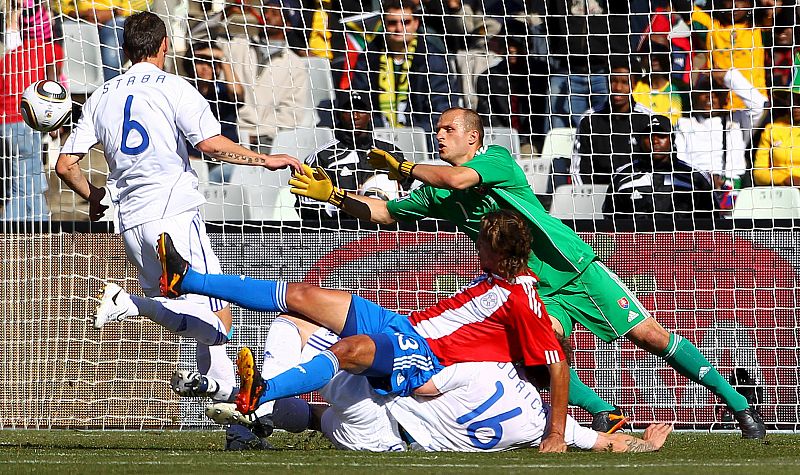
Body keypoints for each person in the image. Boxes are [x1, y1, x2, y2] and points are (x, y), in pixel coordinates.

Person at [289, 106, 767, 439]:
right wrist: (334, 196)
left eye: (448, 130)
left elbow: (455, 178)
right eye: (437, 130)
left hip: (571, 266)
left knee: (652, 337)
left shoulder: (492, 160)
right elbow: (386, 214)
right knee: (532, 353)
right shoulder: (437, 194)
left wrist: (410, 165)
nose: (439, 136)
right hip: (525, 282)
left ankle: (739, 405)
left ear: (472, 137)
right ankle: (606, 414)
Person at [129, 209, 571, 452]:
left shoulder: (522, 298)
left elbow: (556, 367)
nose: (476, 251)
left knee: (348, 350)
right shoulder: (501, 279)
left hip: (424, 356)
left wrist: (554, 433)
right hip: (404, 326)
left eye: (482, 247)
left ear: (500, 255)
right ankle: (184, 278)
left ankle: (260, 392)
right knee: (302, 296)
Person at [55, 12, 302, 406]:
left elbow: (65, 166)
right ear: (165, 45)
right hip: (173, 213)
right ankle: (133, 305)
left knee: (198, 322)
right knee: (219, 319)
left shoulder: (102, 94)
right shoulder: (175, 87)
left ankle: (231, 417)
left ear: (125, 48)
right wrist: (264, 159)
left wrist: (97, 196)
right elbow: (209, 145)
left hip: (131, 224)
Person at [213, 317, 673, 453]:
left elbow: (421, 386)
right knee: (318, 417)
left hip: (374, 414)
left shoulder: (485, 368)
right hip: (380, 446)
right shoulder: (547, 422)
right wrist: (646, 446)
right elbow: (603, 444)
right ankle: (254, 420)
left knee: (294, 325)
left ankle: (248, 398)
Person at [349, 0, 460, 137]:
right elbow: (360, 101)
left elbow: (442, 108)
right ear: (383, 24)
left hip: (424, 135)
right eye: (392, 23)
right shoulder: (368, 57)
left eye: (405, 22)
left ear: (416, 23)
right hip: (378, 134)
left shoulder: (432, 58)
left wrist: (416, 134)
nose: (399, 28)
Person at [299, 91, 412, 222]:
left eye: (361, 110)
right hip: (342, 231)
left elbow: (407, 192)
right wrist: (345, 205)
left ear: (370, 115)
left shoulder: (390, 151)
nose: (355, 116)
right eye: (348, 111)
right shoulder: (321, 156)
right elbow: (305, 204)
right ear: (338, 115)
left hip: (387, 229)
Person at [218, 0, 312, 153]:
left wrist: (257, 132)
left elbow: (290, 115)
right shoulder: (237, 45)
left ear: (287, 25)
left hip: (264, 142)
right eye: (265, 12)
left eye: (274, 13)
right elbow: (195, 37)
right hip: (225, 133)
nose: (267, 16)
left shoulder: (295, 66)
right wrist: (225, 14)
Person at [0, 0, 62, 221]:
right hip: (24, 121)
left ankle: (31, 226)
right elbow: (53, 86)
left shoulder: (8, 56)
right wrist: (56, 121)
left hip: (4, 124)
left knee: (18, 182)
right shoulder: (49, 51)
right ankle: (39, 228)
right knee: (30, 183)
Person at [674, 71, 767, 210]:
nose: (710, 96)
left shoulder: (738, 120)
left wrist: (728, 76)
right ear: (694, 97)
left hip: (734, 191)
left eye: (716, 92)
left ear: (725, 98)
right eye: (704, 91)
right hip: (697, 189)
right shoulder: (684, 124)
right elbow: (681, 161)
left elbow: (760, 105)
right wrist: (705, 180)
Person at [603, 114, 717, 221]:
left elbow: (712, 220)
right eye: (649, 136)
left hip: (682, 241)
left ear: (672, 139)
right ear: (640, 141)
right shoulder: (622, 178)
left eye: (661, 136)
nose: (655, 141)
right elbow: (609, 222)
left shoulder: (695, 178)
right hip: (637, 242)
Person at [570, 56, 652, 186]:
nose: (618, 88)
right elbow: (579, 169)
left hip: (635, 193)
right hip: (597, 194)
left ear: (634, 85)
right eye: (613, 81)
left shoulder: (647, 119)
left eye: (624, 82)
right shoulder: (589, 119)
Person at [182, 43, 244, 184]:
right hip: (192, 161)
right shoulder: (184, 91)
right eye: (200, 62)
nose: (205, 67)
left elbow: (238, 95)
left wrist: (222, 58)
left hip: (224, 160)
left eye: (210, 62)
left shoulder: (223, 90)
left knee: (222, 176)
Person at [753, 89, 800, 186]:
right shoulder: (772, 128)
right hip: (779, 192)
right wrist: (784, 179)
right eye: (791, 100)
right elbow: (758, 173)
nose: (795, 106)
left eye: (799, 101)